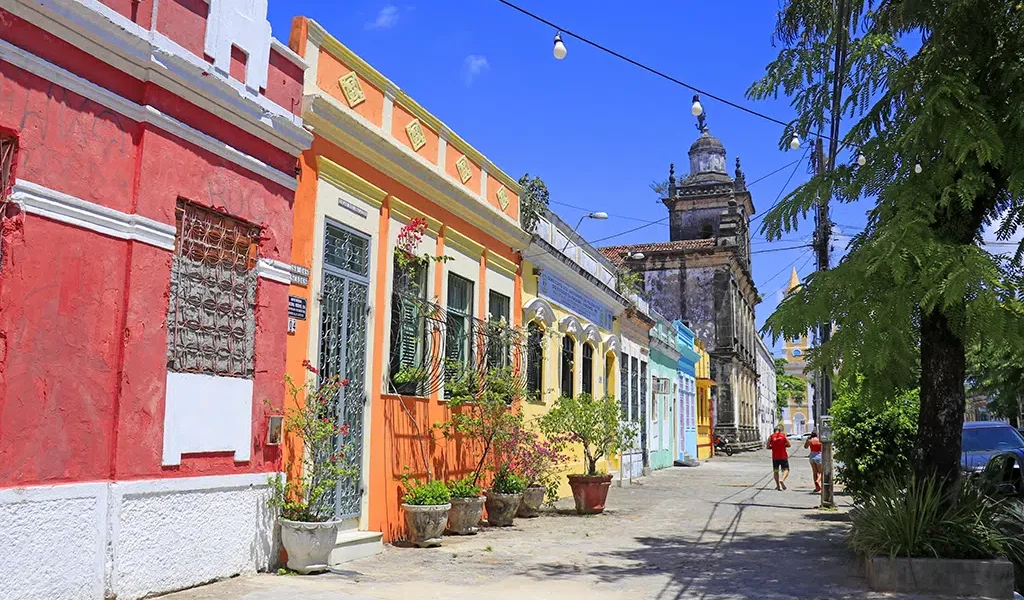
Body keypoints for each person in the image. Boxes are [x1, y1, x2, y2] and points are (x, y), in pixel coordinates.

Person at [767, 424, 791, 490]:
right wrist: (783, 446)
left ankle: (778, 486)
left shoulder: (771, 437)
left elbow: (768, 447)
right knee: (786, 469)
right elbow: (789, 445)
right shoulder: (783, 436)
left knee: (776, 471)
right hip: (783, 456)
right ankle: (782, 480)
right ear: (780, 430)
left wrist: (773, 447)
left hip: (775, 457)